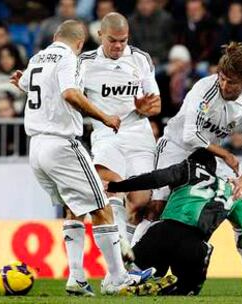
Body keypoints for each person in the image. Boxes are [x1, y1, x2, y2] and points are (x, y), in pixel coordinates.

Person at [10, 19, 153, 296]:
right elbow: (69, 93)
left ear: (55, 36)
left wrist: (22, 84)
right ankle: (117, 278)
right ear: (79, 43)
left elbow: (27, 83)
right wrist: (104, 116)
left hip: (36, 148)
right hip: (61, 144)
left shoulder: (37, 57)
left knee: (74, 207)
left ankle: (76, 277)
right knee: (102, 204)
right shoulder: (69, 58)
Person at [151, 42, 242, 294]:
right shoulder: (204, 89)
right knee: (157, 208)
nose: (225, 86)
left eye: (232, 83)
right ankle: (136, 273)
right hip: (176, 148)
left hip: (206, 157)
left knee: (240, 213)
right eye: (223, 79)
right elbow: (190, 134)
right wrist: (225, 153)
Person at [107, 148, 242, 295]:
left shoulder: (187, 168)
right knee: (188, 288)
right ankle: (180, 287)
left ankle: (136, 278)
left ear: (192, 160)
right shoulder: (232, 191)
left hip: (161, 234)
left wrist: (118, 186)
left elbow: (155, 178)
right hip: (192, 246)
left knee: (132, 273)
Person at [79, 12, 161, 248]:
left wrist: (147, 107)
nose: (117, 46)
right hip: (107, 135)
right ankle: (122, 247)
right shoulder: (85, 63)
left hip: (139, 135)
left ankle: (128, 262)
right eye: (112, 40)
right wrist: (100, 116)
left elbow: (156, 104)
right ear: (100, 35)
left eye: (122, 40)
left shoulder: (141, 59)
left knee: (140, 201)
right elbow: (73, 97)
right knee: (110, 189)